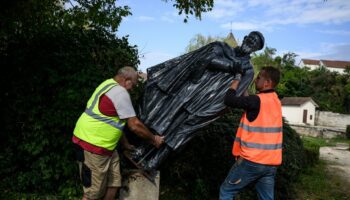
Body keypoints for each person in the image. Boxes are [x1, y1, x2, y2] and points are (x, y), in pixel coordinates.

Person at [128, 31, 265, 171]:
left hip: (208, 102)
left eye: (256, 43)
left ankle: (153, 162)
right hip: (191, 90)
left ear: (256, 49)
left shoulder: (248, 70)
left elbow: (235, 92)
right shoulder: (222, 48)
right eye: (251, 38)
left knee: (182, 132)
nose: (251, 42)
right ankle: (142, 149)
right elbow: (205, 59)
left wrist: (214, 110)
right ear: (245, 38)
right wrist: (231, 67)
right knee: (166, 120)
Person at [72, 66, 164, 200]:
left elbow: (114, 121)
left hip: (105, 146)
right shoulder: (120, 93)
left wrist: (125, 144)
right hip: (92, 146)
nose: (132, 89)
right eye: (133, 84)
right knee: (92, 193)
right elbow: (134, 125)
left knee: (114, 183)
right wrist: (154, 139)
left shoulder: (107, 84)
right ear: (126, 80)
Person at [219, 66, 282, 200]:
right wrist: (244, 87)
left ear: (267, 82)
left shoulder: (256, 100)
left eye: (258, 77)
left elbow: (229, 100)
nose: (255, 80)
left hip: (253, 160)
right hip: (270, 164)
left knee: (226, 191)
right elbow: (251, 104)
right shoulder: (275, 100)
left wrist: (236, 80)